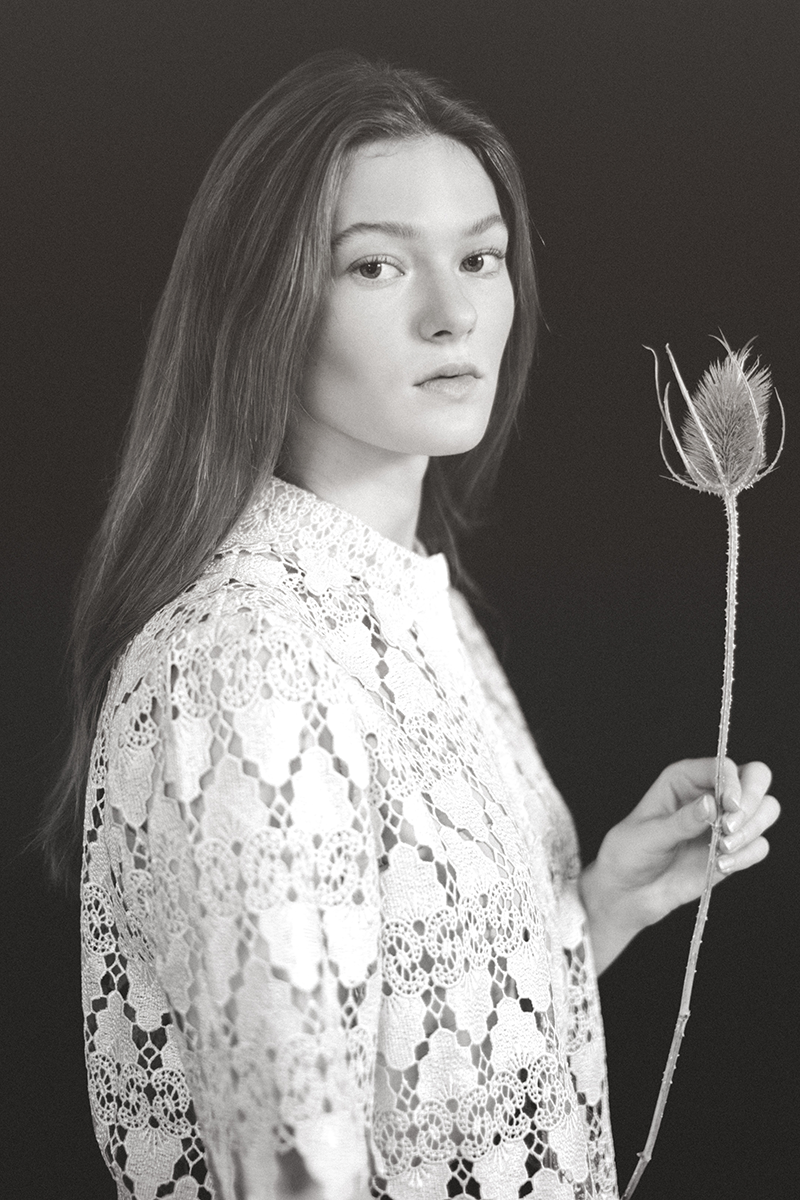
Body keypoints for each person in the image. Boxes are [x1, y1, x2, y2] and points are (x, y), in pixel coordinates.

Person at [41, 51, 779, 1200]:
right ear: (265, 302)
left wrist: (594, 905)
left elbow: (409, 1060)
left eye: (480, 258)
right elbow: (296, 1173)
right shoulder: (253, 662)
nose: (454, 313)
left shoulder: (409, 605)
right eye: (377, 265)